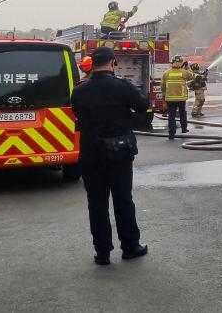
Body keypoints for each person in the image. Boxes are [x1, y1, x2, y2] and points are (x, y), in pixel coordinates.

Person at [70, 46, 148, 265]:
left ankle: (102, 252)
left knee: (96, 203)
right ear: (113, 62)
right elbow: (143, 105)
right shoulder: (122, 86)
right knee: (123, 199)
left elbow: (76, 112)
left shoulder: (79, 90)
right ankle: (130, 247)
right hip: (119, 152)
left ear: (92, 65)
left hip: (90, 154)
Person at [161, 56, 191, 140]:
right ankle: (184, 129)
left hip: (170, 98)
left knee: (171, 116)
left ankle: (171, 134)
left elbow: (162, 87)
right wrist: (187, 66)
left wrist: (163, 99)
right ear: (181, 63)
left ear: (172, 62)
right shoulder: (184, 72)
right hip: (181, 98)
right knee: (182, 113)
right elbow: (192, 76)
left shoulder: (166, 73)